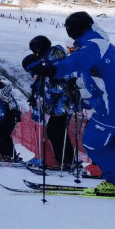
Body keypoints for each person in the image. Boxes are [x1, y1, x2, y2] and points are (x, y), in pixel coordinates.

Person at [27, 12, 115, 196]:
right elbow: (96, 75)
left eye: (69, 28)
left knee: (92, 142)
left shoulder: (94, 44)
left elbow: (79, 61)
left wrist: (54, 69)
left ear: (75, 28)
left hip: (111, 107)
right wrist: (79, 89)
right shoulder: (102, 45)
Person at [25, 37, 80, 171]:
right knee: (55, 131)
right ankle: (65, 160)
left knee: (56, 131)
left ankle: (67, 161)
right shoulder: (47, 58)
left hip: (64, 101)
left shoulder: (55, 55)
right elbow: (45, 81)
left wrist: (47, 76)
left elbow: (62, 79)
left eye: (35, 50)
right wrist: (35, 93)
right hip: (57, 102)